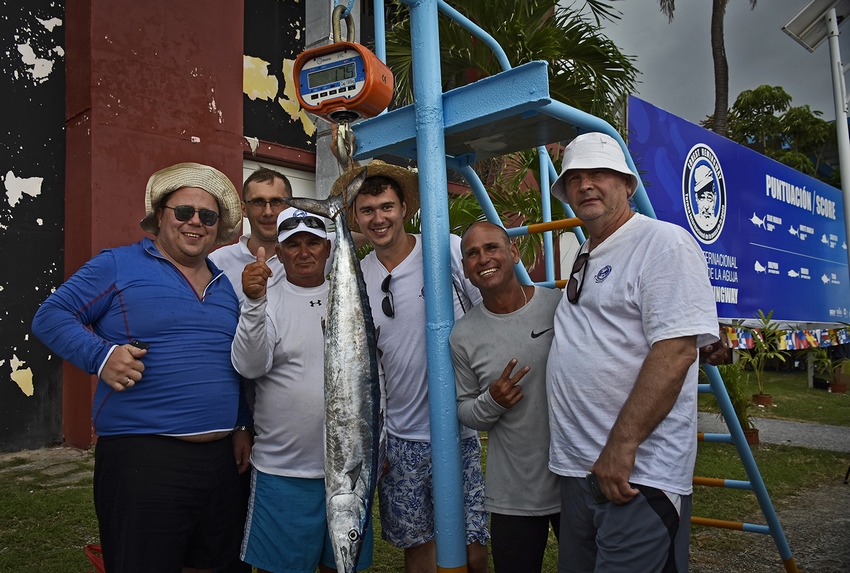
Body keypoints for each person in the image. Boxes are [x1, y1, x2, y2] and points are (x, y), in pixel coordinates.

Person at [31, 162, 251, 573]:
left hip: (223, 465)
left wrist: (240, 424)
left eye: (207, 216)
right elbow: (51, 315)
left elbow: (231, 364)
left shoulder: (225, 286)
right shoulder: (117, 264)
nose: (195, 223)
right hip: (143, 458)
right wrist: (101, 356)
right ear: (160, 217)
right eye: (184, 211)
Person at [545, 132, 719, 573]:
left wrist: (622, 448)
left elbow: (676, 351)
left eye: (599, 174)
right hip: (580, 471)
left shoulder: (664, 243)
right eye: (574, 178)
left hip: (636, 474)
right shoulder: (588, 251)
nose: (585, 185)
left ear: (627, 184)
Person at [332, 161, 490, 573]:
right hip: (399, 439)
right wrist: (377, 441)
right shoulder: (356, 275)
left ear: (405, 208)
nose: (378, 218)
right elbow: (369, 369)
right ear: (355, 218)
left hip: (458, 431)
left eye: (386, 207)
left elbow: (486, 317)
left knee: (472, 546)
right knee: (417, 548)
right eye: (367, 211)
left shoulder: (447, 250)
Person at [230, 207, 373, 573]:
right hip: (284, 471)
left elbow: (375, 375)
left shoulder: (353, 295)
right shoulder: (267, 298)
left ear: (328, 248)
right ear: (278, 252)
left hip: (351, 472)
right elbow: (249, 366)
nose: (304, 252)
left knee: (341, 563)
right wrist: (254, 303)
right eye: (293, 245)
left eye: (313, 242)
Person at [450, 222, 562, 573]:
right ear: (467, 270)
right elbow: (465, 411)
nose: (483, 258)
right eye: (472, 253)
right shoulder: (463, 335)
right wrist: (492, 401)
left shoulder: (560, 307)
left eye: (492, 248)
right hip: (512, 493)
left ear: (513, 253)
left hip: (574, 481)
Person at [210, 167, 292, 301]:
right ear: (243, 209)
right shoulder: (217, 262)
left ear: (290, 207)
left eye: (276, 202)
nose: (268, 212)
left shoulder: (310, 256)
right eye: (258, 202)